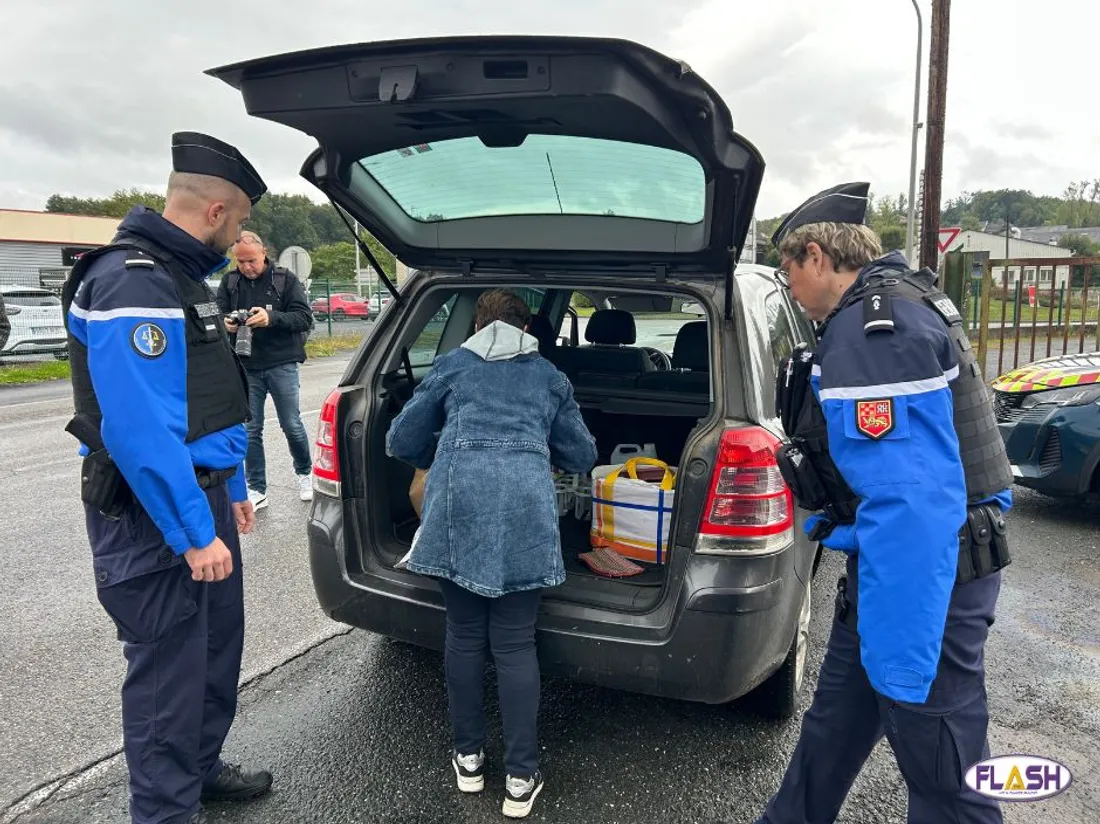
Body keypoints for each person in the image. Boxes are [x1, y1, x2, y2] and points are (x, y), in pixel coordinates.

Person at [758, 182, 1014, 824]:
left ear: (816, 256)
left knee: (947, 783)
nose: (786, 284)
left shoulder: (877, 334)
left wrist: (901, 653)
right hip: (891, 576)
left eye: (787, 268)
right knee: (826, 744)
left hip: (925, 590)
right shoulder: (899, 303)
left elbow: (913, 505)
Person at [61, 132, 275, 824]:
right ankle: (164, 811)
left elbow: (209, 393)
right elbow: (139, 431)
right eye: (240, 221)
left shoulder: (182, 279)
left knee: (213, 655)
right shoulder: (133, 279)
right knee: (167, 680)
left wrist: (234, 487)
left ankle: (201, 769)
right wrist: (190, 532)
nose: (240, 235)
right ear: (216, 212)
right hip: (159, 516)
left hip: (204, 499)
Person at [385, 289, 597, 819]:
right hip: (524, 508)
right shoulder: (550, 376)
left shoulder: (453, 365)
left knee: (462, 638)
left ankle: (469, 760)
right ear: (529, 328)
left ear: (476, 326)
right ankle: (521, 779)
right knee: (514, 643)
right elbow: (583, 454)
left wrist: (437, 452)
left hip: (459, 503)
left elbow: (400, 437)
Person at [216, 230, 315, 509]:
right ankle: (257, 487)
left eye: (252, 261)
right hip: (246, 365)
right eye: (241, 261)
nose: (247, 267)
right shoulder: (230, 282)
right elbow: (216, 312)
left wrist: (270, 318)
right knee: (250, 429)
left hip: (282, 362)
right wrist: (227, 322)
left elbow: (303, 317)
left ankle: (305, 473)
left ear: (264, 254)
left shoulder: (285, 280)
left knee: (291, 424)